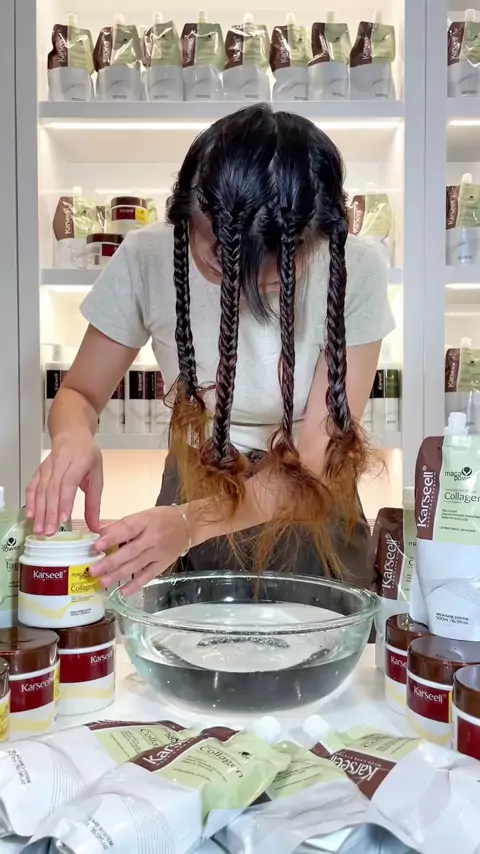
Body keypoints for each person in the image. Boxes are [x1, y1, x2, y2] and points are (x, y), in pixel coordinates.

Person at [26, 104, 394, 595]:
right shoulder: (147, 257)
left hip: (310, 505)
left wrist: (190, 523)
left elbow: (314, 458)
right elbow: (81, 394)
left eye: (279, 271)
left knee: (324, 636)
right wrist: (73, 435)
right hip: (195, 488)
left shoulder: (354, 268)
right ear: (187, 220)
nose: (249, 289)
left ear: (320, 236)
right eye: (223, 264)